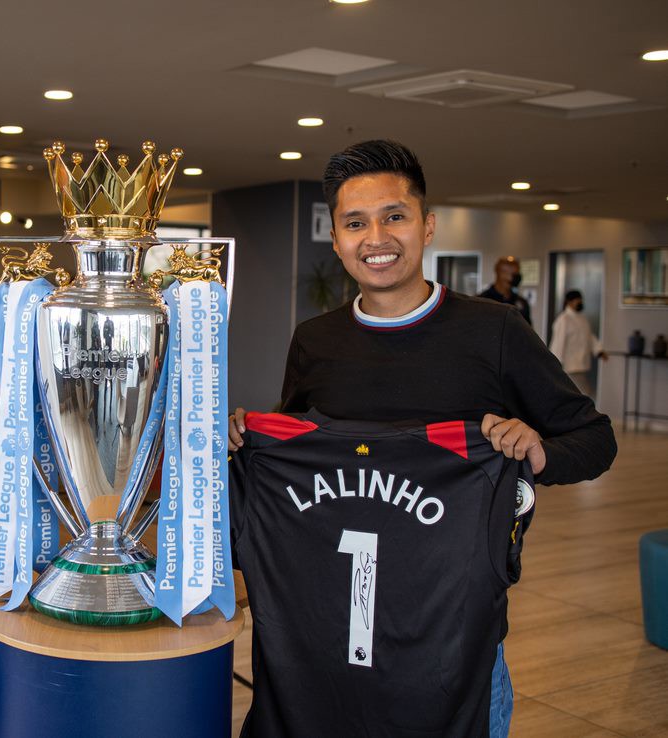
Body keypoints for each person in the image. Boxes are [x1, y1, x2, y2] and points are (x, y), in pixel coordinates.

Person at [228, 140, 616, 738]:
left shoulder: (495, 331)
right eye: (355, 223)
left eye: (395, 217)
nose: (375, 238)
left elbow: (596, 438)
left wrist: (536, 451)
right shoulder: (315, 340)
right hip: (328, 640)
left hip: (452, 649)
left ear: (426, 226)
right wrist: (249, 441)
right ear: (335, 239)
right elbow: (300, 443)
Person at [550, 289, 608, 397]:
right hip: (568, 367)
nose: (580, 302)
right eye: (578, 300)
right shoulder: (564, 320)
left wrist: (599, 351)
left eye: (581, 299)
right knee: (583, 395)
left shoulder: (583, 319)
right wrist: (556, 363)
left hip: (581, 365)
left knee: (581, 396)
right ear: (569, 302)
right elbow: (558, 343)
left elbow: (590, 337)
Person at [480, 256, 532, 324]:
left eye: (517, 273)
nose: (517, 277)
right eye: (514, 274)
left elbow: (528, 330)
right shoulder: (482, 300)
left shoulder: (521, 303)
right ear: (500, 273)